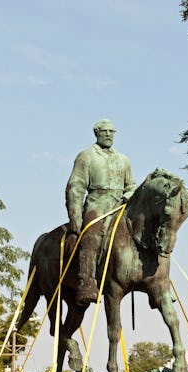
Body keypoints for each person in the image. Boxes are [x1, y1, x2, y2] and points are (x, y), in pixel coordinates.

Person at [65, 118, 136, 305]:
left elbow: (131, 185)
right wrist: (75, 218)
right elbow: (75, 187)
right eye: (104, 131)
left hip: (120, 205)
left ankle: (157, 283)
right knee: (91, 236)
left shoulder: (123, 160)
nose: (108, 134)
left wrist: (129, 194)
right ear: (96, 133)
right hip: (97, 203)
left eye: (112, 131)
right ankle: (86, 282)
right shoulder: (86, 156)